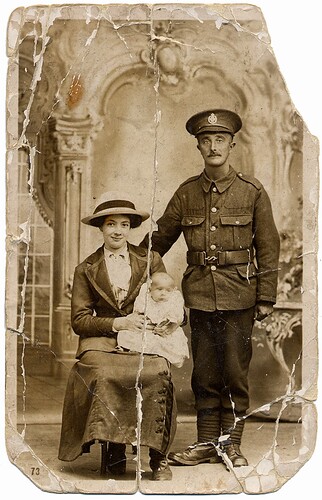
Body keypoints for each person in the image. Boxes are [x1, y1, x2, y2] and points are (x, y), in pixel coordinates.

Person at [141, 109, 280, 467]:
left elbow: (268, 245)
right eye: (207, 140)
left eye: (220, 139)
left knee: (235, 372)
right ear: (199, 146)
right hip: (200, 295)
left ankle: (231, 444)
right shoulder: (187, 193)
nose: (214, 146)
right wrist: (151, 276)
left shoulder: (252, 192)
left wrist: (266, 296)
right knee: (204, 373)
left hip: (239, 296)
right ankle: (206, 443)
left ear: (232, 144)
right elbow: (157, 241)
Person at [58, 192, 177, 481]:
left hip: (145, 336)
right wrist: (118, 323)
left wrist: (167, 323)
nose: (117, 231)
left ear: (131, 228)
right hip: (102, 340)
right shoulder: (86, 269)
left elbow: (169, 299)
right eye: (111, 224)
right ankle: (113, 452)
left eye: (124, 224)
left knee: (157, 371)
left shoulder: (149, 260)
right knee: (102, 372)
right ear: (101, 228)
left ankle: (157, 457)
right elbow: (80, 321)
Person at [118, 272, 190, 368]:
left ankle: (158, 352)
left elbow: (177, 316)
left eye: (168, 291)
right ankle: (136, 349)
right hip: (146, 329)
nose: (163, 293)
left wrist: (169, 323)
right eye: (159, 289)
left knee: (171, 342)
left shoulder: (172, 301)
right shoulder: (146, 297)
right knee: (126, 334)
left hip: (163, 332)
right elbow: (138, 312)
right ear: (150, 289)